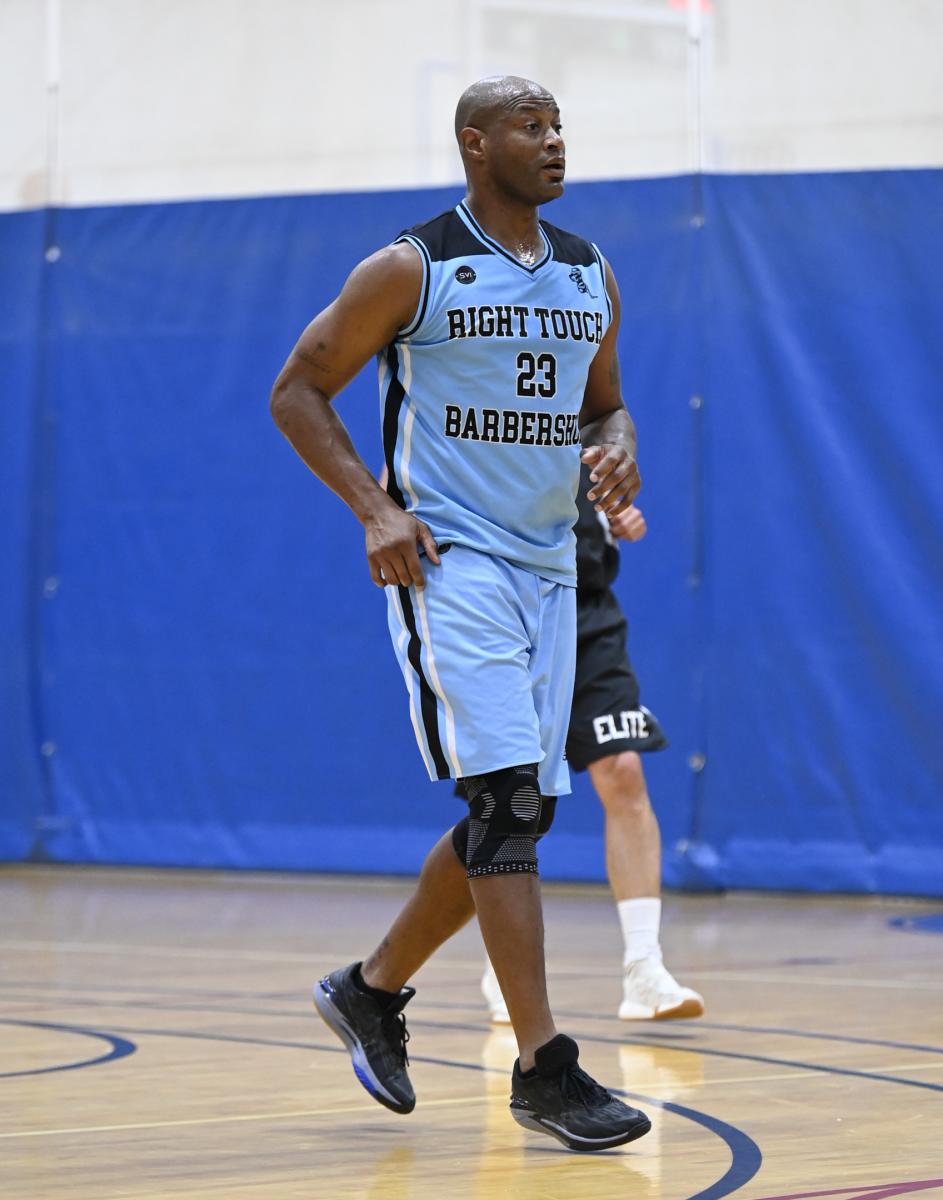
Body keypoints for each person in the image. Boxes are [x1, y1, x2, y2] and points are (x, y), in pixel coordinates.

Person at [269, 76, 650, 1152]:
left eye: (560, 124)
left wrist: (618, 446)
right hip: (452, 560)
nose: (555, 140)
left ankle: (371, 990)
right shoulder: (413, 267)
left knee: (516, 816)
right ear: (476, 144)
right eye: (532, 126)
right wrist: (375, 508)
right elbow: (297, 390)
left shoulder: (589, 272)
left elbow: (604, 404)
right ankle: (544, 1069)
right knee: (505, 802)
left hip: (551, 566)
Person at [479, 478, 705, 1023]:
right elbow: (400, 476)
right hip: (507, 610)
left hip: (587, 612)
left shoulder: (588, 429)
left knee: (623, 767)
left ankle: (644, 968)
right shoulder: (453, 425)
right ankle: (503, 967)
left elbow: (606, 464)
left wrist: (611, 517)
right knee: (514, 795)